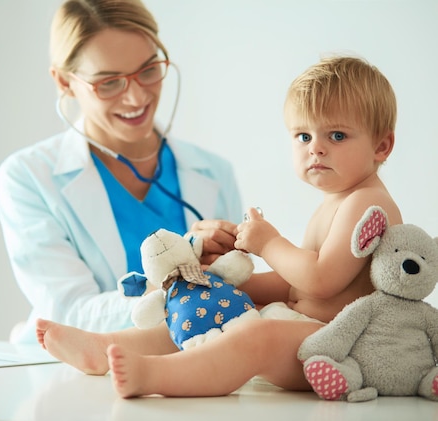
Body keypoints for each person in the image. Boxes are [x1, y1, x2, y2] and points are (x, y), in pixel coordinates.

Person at [35, 55, 403, 398]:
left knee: (259, 335)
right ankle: (106, 347)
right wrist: (224, 281)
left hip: (342, 348)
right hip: (308, 326)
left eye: (336, 136)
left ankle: (155, 375)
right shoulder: (338, 199)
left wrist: (269, 243)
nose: (316, 149)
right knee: (208, 307)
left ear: (381, 146)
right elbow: (296, 285)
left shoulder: (367, 202)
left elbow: (321, 281)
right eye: (304, 136)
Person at [0, 0, 243, 344]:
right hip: (71, 375)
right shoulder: (28, 177)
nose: (137, 97)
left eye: (148, 70)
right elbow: (68, 312)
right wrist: (178, 280)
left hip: (193, 369)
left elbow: (237, 292)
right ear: (64, 82)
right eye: (109, 82)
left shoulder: (215, 172)